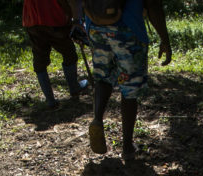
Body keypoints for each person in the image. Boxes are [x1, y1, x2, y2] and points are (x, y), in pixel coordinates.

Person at [73, 0, 172, 158]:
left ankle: (98, 118)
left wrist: (77, 20)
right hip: (128, 28)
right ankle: (127, 147)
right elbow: (153, 5)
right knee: (130, 87)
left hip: (95, 25)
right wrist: (165, 40)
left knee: (102, 77)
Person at [23, 0, 89, 108]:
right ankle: (74, 88)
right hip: (55, 20)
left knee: (40, 60)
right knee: (69, 54)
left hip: (32, 21)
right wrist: (77, 21)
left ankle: (50, 100)